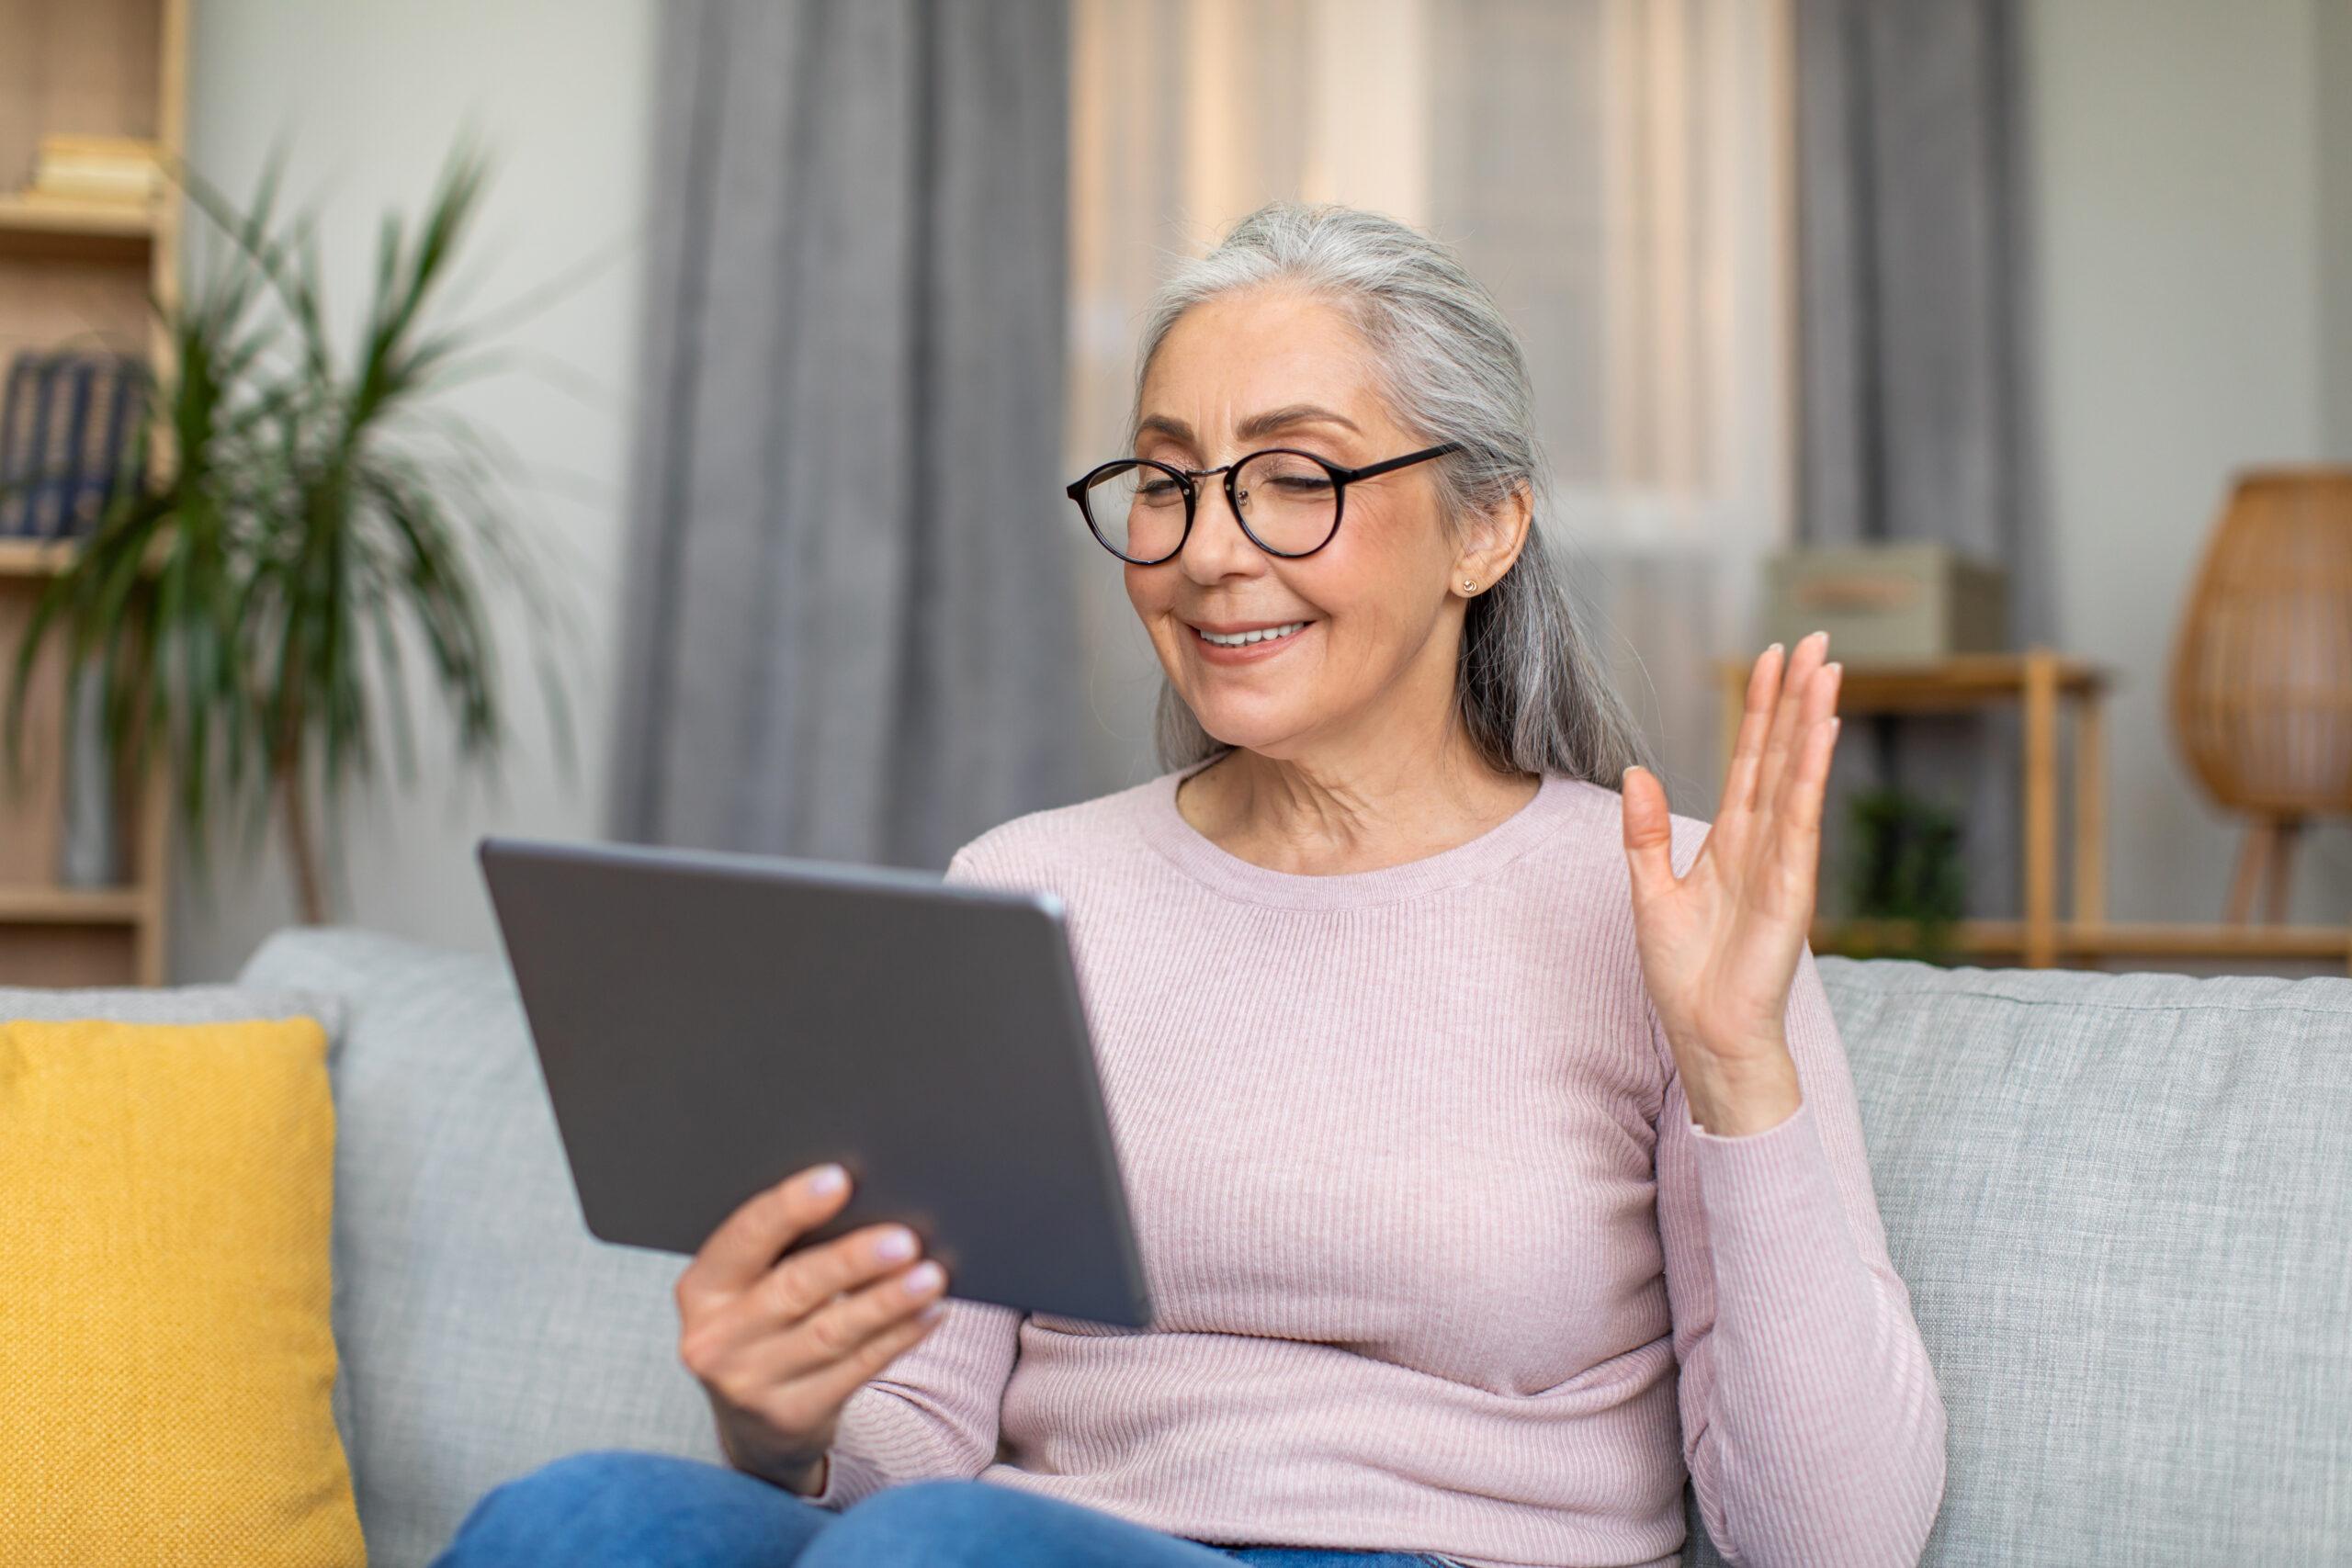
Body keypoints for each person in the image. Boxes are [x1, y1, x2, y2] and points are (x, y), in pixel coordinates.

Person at [435, 200, 1945, 1568]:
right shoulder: (1030, 886)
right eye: (1166, 483)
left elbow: (1837, 1545)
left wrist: (1737, 1064)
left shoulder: (1669, 905)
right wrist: (790, 1425)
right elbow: (916, 1448)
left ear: (1484, 528)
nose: (1210, 551)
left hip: (1401, 1560)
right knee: (572, 1521)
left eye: (1295, 479)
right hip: (1006, 1547)